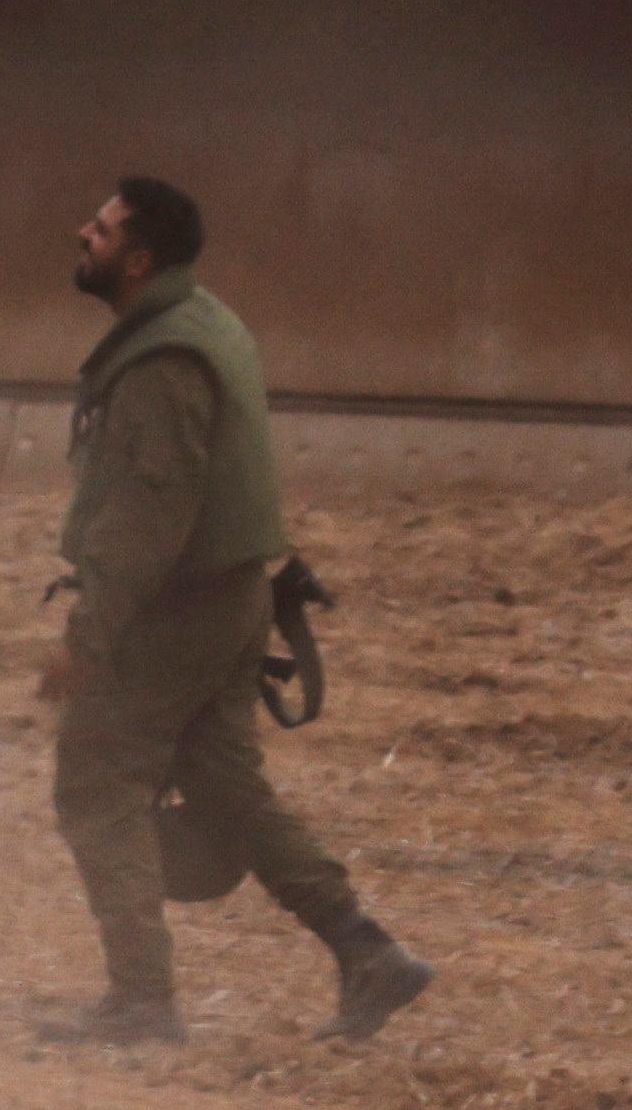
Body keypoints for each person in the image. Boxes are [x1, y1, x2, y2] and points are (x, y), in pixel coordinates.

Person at [34, 171, 434, 1049]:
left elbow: (148, 517)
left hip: (175, 615)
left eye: (100, 229)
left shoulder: (161, 361)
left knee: (97, 783)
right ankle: (368, 951)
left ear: (138, 260)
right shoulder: (206, 322)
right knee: (229, 789)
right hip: (232, 600)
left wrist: (86, 638)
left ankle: (141, 1001)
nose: (81, 234)